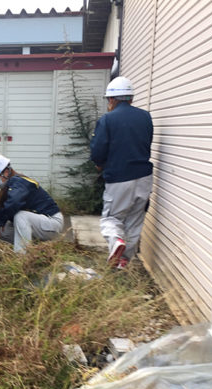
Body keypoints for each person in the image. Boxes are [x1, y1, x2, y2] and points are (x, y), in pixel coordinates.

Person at [90, 76, 154, 269]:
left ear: (112, 99)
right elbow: (147, 143)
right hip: (144, 177)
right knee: (135, 220)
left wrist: (99, 163)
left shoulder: (107, 120)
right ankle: (123, 261)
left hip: (119, 178)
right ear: (131, 98)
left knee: (111, 219)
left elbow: (98, 150)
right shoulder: (145, 117)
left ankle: (116, 241)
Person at [0, 154, 64, 253]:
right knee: (1, 230)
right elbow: (4, 210)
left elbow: (13, 203)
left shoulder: (19, 182)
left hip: (52, 222)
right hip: (41, 225)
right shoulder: (11, 186)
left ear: (6, 172)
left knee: (21, 216)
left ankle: (21, 258)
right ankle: (36, 249)